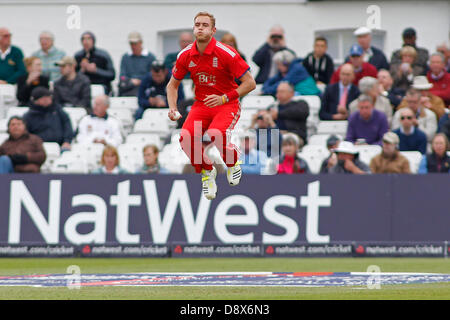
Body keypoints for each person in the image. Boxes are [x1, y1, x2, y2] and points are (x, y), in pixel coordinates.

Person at [166, 11, 256, 200]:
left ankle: (232, 163)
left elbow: (250, 83)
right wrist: (172, 108)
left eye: (205, 25)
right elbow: (172, 85)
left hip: (226, 103)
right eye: (197, 24)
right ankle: (207, 171)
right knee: (185, 138)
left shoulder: (226, 53)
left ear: (213, 30)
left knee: (217, 133)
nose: (200, 28)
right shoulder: (185, 55)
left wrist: (224, 98)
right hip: (202, 104)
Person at [118, 31, 156, 96]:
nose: (133, 46)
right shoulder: (125, 57)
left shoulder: (150, 57)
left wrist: (140, 81)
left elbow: (152, 76)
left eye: (135, 43)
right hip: (128, 89)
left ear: (141, 43)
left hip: (145, 89)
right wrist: (131, 81)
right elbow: (122, 77)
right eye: (131, 43)